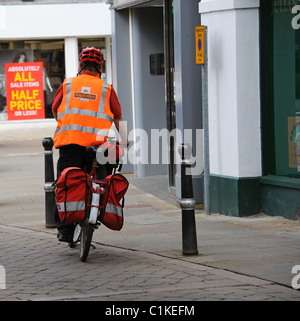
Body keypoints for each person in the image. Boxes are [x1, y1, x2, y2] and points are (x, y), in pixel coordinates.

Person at [52, 47, 129, 242]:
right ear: (100, 67)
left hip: (69, 144)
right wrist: (125, 141)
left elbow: (55, 109)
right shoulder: (107, 89)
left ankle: (65, 230)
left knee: (66, 183)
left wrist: (66, 124)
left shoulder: (68, 84)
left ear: (80, 65)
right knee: (100, 181)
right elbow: (118, 117)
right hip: (97, 148)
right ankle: (96, 213)